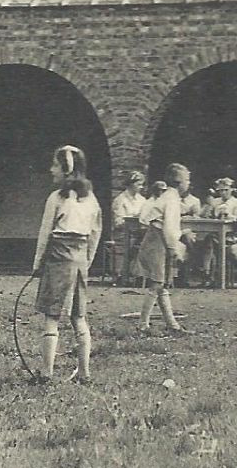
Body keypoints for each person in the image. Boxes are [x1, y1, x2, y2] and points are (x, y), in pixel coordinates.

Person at [29, 145, 104, 383]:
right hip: (80, 259)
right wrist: (87, 261)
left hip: (58, 259)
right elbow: (95, 233)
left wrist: (37, 263)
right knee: (78, 317)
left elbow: (45, 233)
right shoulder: (91, 199)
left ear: (65, 168)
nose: (51, 170)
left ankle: (47, 373)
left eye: (54, 165)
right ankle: (84, 372)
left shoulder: (56, 198)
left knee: (52, 317)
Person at [137, 166, 192, 335]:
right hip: (157, 240)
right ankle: (143, 324)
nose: (188, 184)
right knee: (157, 283)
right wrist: (173, 248)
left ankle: (172, 324)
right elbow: (168, 227)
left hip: (158, 238)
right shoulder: (171, 199)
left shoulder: (168, 197)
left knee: (162, 284)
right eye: (187, 180)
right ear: (179, 183)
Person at [195, 178, 237, 286]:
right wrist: (208, 207)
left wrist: (227, 214)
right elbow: (205, 215)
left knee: (209, 242)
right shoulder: (216, 201)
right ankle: (207, 274)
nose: (223, 193)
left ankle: (207, 274)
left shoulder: (236, 203)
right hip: (216, 234)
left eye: (226, 190)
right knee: (207, 241)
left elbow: (236, 220)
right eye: (221, 190)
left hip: (231, 236)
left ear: (232, 189)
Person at [111, 170, 148, 287]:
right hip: (123, 233)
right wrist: (132, 218)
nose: (141, 187)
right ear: (131, 184)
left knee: (148, 241)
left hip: (139, 232)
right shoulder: (120, 200)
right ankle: (127, 274)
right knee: (138, 242)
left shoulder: (142, 200)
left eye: (142, 184)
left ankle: (141, 275)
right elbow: (118, 222)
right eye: (138, 184)